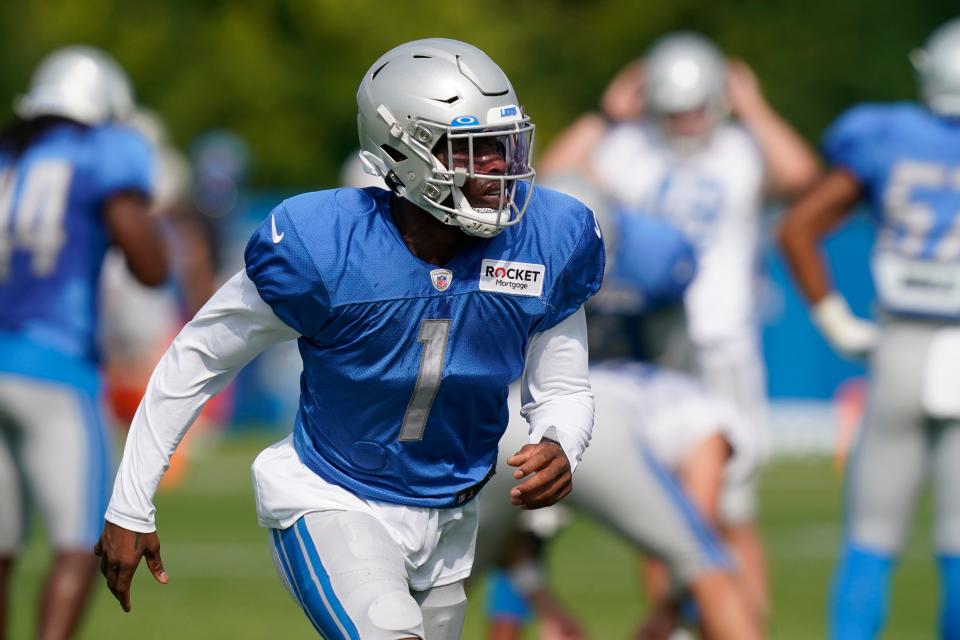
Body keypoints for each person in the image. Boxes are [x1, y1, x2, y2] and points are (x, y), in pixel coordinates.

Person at [94, 38, 605, 640]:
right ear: (401, 152)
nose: (498, 166)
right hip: (335, 496)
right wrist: (130, 502)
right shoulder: (326, 247)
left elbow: (564, 388)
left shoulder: (549, 238)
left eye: (504, 143)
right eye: (472, 149)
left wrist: (560, 440)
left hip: (450, 516)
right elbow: (196, 358)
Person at [538, 32, 822, 623]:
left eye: (696, 107)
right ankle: (678, 627)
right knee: (661, 514)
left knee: (733, 513)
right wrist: (602, 115)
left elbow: (802, 175)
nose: (687, 122)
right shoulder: (631, 147)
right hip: (653, 350)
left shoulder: (741, 147)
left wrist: (755, 107)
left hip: (723, 344)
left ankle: (742, 624)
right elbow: (551, 178)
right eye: (674, 110)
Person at [475, 212, 762, 640]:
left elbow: (511, 546)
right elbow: (695, 533)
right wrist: (667, 614)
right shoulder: (710, 418)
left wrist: (545, 604)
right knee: (710, 565)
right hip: (599, 430)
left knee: (444, 580)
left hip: (513, 415)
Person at [778, 18, 960, 640]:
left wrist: (835, 319)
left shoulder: (887, 136)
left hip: (901, 346)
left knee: (871, 539)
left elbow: (797, 227)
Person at [0, 46, 166, 640]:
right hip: (53, 365)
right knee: (78, 544)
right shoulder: (105, 148)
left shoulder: (10, 157)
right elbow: (148, 264)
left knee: (2, 549)